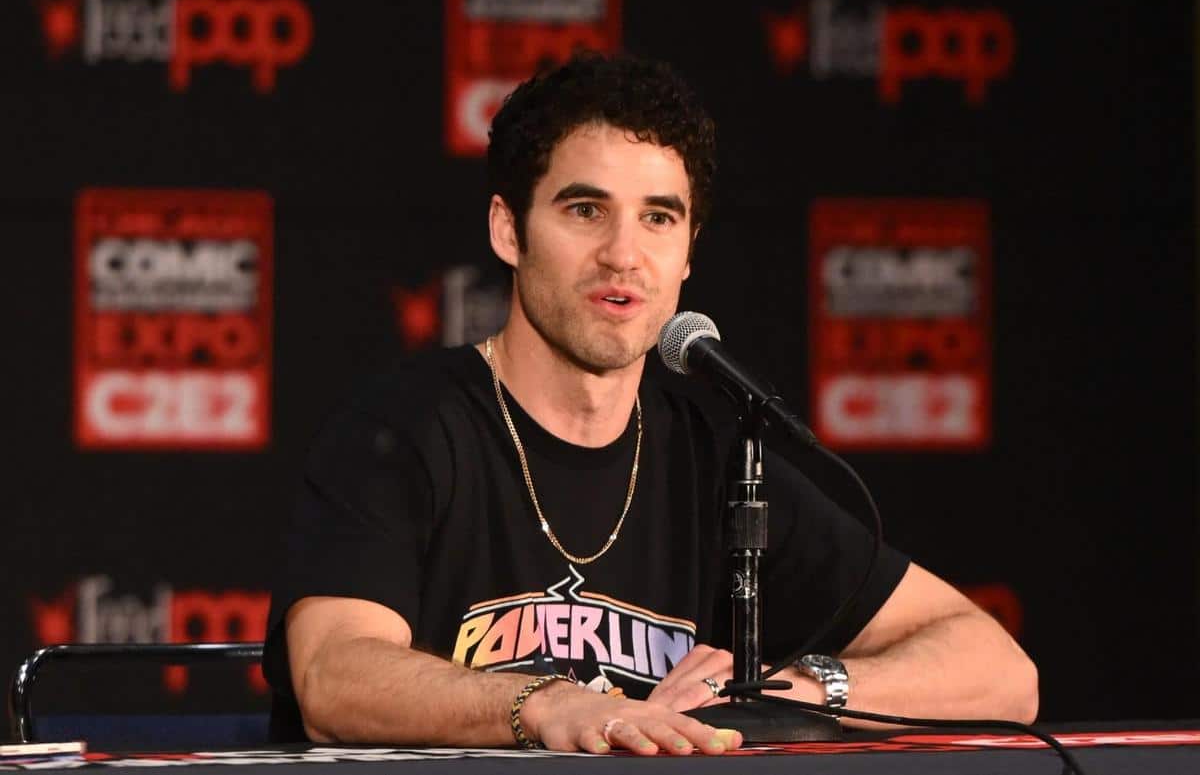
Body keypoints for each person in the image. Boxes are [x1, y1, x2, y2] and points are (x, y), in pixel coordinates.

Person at [263, 52, 1037, 756]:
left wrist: (790, 693)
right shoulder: (406, 428)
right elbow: (335, 676)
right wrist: (549, 704)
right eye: (584, 209)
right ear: (508, 229)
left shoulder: (721, 458)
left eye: (658, 217)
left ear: (689, 250)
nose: (624, 254)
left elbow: (1002, 671)